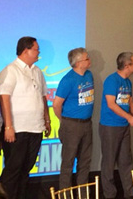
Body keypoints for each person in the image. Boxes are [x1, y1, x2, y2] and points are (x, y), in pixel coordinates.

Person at [0, 36, 51, 199]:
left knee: (26, 169)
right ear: (26, 50)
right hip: (17, 129)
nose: (38, 52)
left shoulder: (37, 71)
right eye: (36, 49)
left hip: (35, 128)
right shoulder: (11, 70)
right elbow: (3, 97)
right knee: (13, 170)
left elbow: (43, 97)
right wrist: (8, 126)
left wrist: (46, 120)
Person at [99, 52, 133, 199]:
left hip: (123, 126)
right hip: (110, 126)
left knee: (126, 161)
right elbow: (111, 104)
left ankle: (130, 193)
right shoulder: (112, 80)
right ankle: (109, 194)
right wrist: (129, 118)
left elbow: (130, 103)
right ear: (127, 65)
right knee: (108, 163)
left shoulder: (128, 82)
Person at [52, 47, 94, 190]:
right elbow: (56, 105)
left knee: (85, 161)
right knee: (68, 162)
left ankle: (83, 193)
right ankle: (65, 194)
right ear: (78, 62)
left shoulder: (89, 75)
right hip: (71, 125)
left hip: (87, 123)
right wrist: (64, 121)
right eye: (87, 58)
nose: (90, 61)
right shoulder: (67, 80)